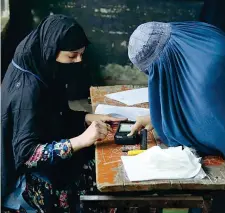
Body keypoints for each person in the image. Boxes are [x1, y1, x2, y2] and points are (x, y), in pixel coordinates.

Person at [1, 14, 125, 213]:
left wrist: (87, 117)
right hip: (34, 178)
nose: (78, 61)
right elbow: (27, 155)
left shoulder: (41, 63)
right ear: (52, 50)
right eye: (72, 56)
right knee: (110, 183)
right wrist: (82, 140)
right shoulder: (27, 92)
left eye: (82, 54)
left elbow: (51, 115)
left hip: (51, 152)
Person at [127, 21, 225, 213]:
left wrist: (166, 122)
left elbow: (209, 124)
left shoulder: (205, 87)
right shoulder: (202, 35)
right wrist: (156, 117)